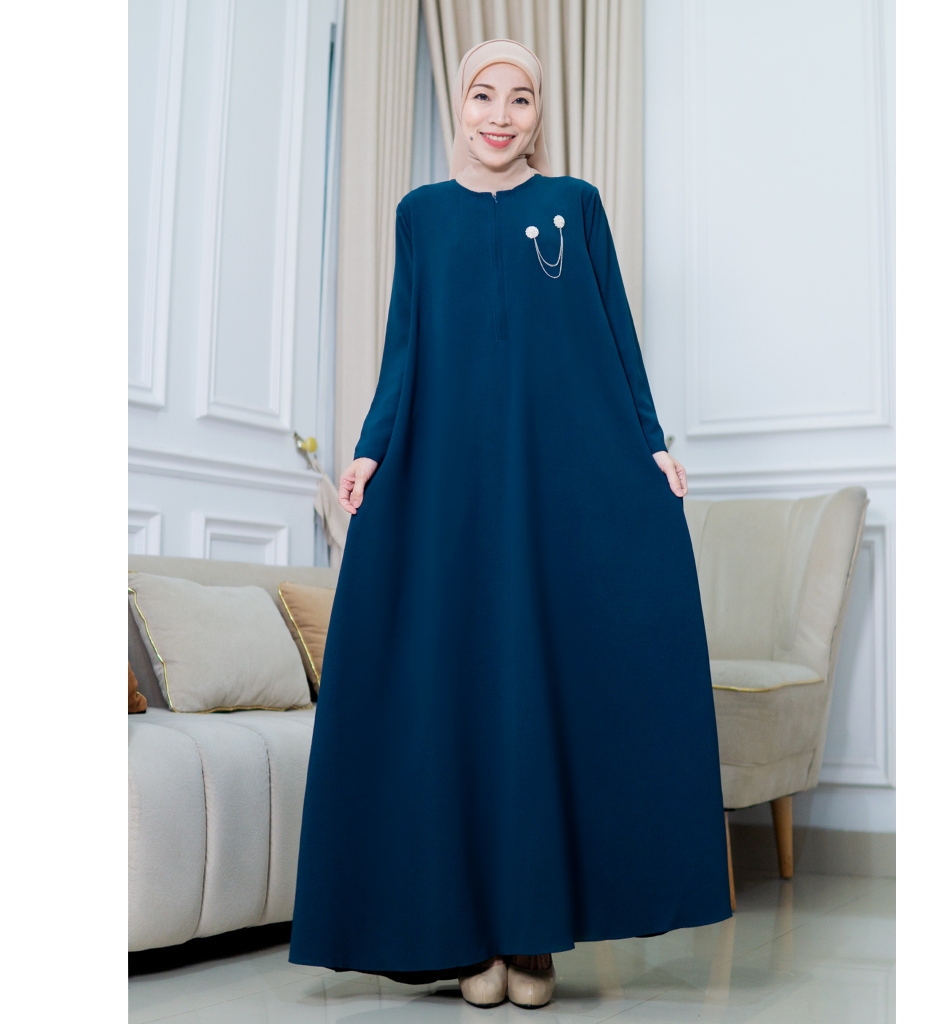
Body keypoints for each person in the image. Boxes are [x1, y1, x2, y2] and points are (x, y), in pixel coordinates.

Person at [288, 38, 732, 1010]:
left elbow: (616, 334)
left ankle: (532, 941)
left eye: (520, 98)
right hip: (449, 485)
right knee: (461, 694)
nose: (499, 114)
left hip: (551, 482)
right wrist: (369, 448)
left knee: (540, 689)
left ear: (538, 113)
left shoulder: (574, 204)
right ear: (459, 104)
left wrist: (651, 443)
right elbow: (404, 343)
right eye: (483, 95)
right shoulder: (421, 215)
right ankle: (473, 938)